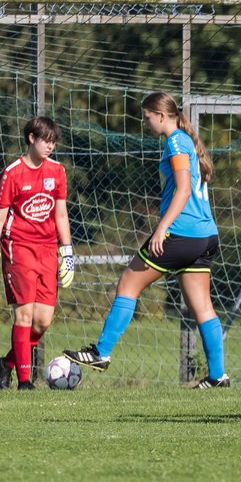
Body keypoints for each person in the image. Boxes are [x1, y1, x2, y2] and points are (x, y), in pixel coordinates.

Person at [63, 92, 228, 387]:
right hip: (206, 236)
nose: (146, 123)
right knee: (202, 305)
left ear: (161, 115)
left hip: (183, 232)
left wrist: (161, 228)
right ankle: (218, 376)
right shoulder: (187, 141)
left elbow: (183, 191)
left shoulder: (176, 141)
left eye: (147, 117)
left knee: (129, 282)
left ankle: (101, 352)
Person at [0, 116, 74, 390]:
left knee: (43, 321)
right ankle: (24, 381)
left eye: (54, 142)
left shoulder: (57, 172)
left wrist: (67, 252)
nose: (51, 147)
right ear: (32, 138)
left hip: (47, 250)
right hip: (18, 247)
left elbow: (61, 214)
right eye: (47, 141)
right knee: (24, 315)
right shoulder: (13, 173)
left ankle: (6, 363)